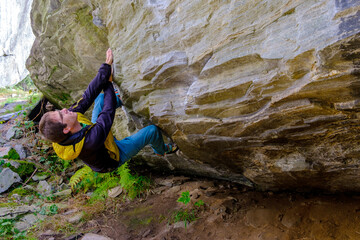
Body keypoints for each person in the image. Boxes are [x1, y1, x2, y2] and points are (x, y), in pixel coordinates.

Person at [39, 49, 178, 173]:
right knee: (152, 131)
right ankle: (161, 150)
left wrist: (105, 69)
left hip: (96, 133)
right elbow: (107, 113)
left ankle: (124, 100)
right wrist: (109, 83)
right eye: (61, 114)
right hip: (115, 154)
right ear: (66, 129)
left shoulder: (62, 128)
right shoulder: (90, 142)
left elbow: (87, 96)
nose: (64, 109)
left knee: (100, 97)